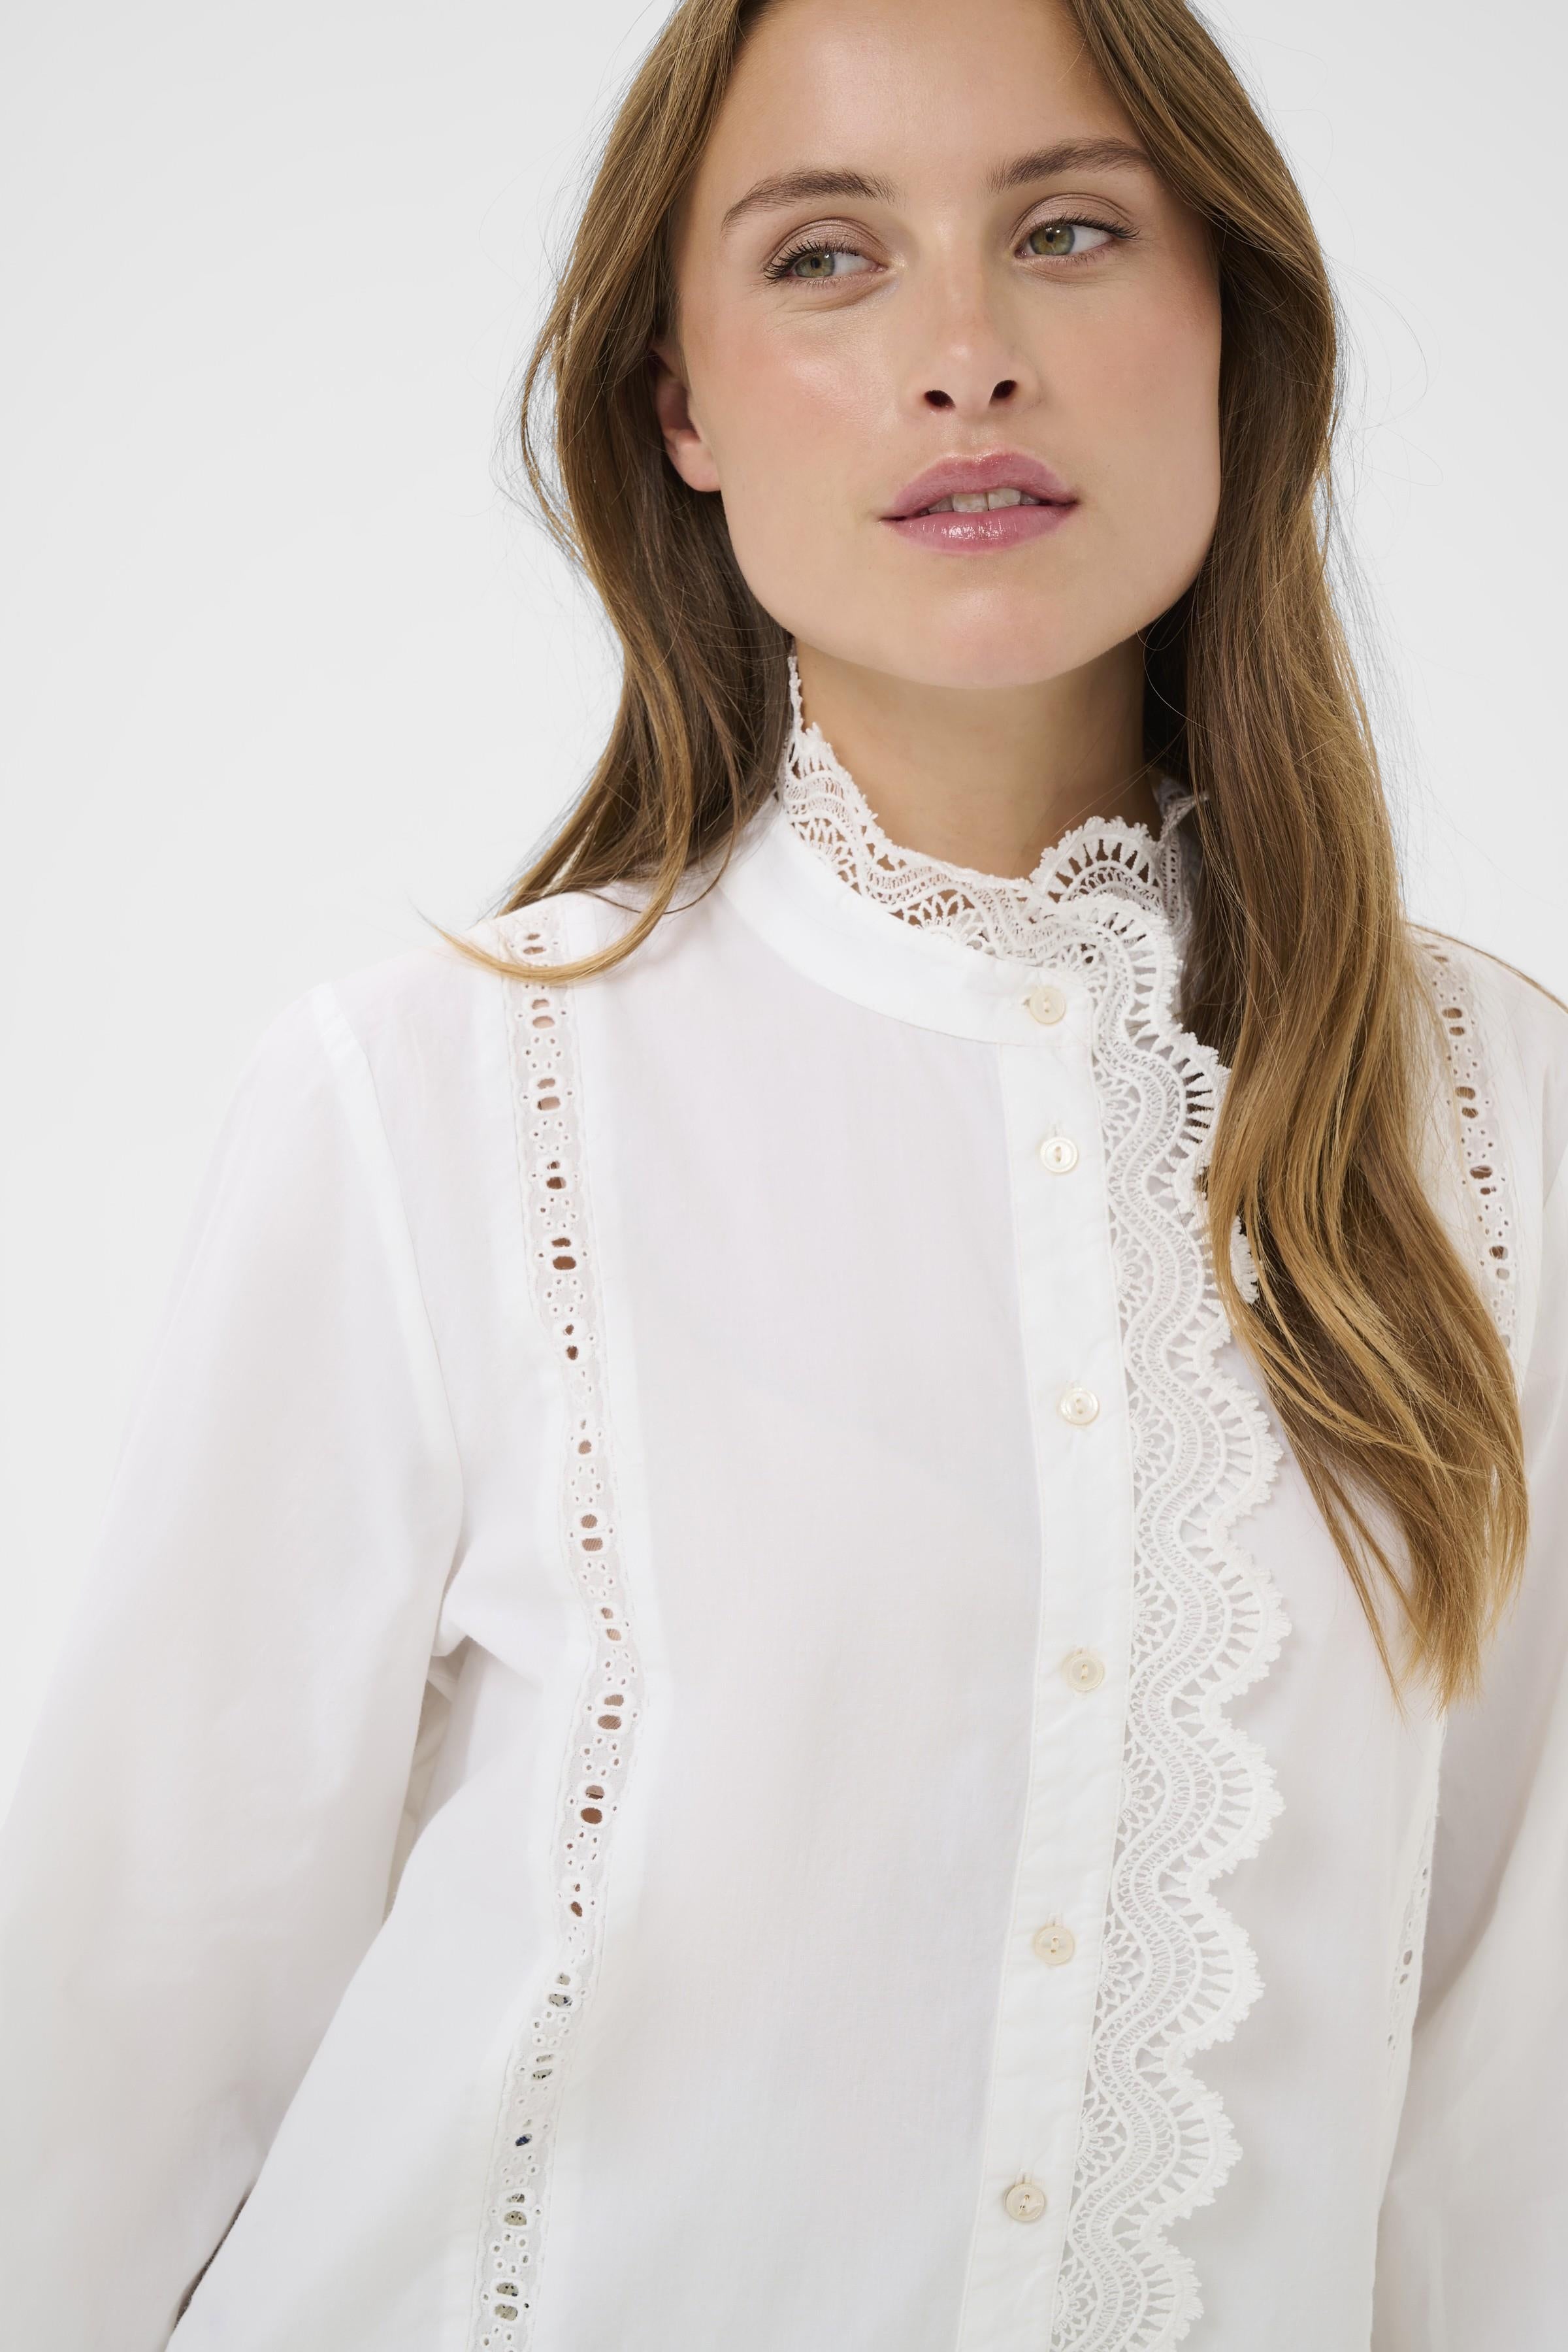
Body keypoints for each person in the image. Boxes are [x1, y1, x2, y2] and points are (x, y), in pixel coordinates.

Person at [1, 0, 1563, 2345]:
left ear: (1234, 326)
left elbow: (1507, 2125)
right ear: (685, 409)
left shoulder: (1498, 1121)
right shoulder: (433, 1104)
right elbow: (117, 2058)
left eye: (1066, 231)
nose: (966, 354)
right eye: (827, 256)